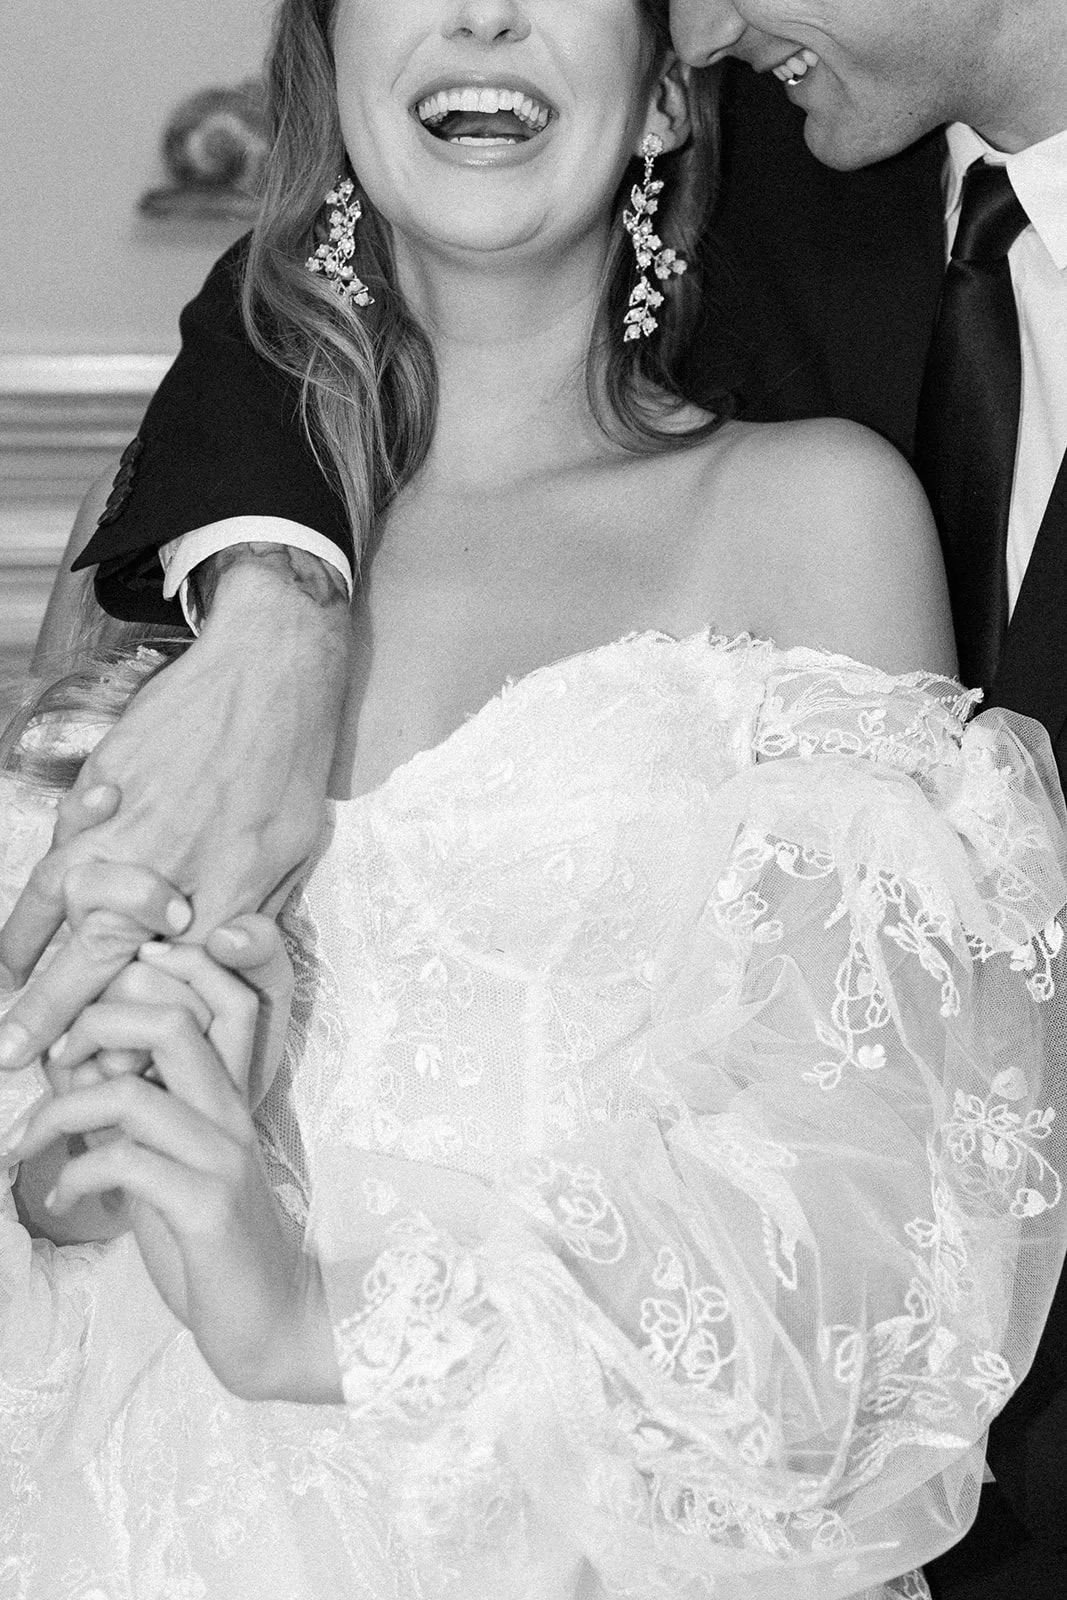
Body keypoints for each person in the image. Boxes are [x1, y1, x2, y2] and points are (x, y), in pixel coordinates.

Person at [0, 0, 1065, 1590]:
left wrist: (309, 1310)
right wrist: (93, 1158)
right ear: (328, 61)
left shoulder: (812, 519)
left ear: (661, 98)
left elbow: (868, 1265)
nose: (485, 11)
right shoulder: (185, 526)